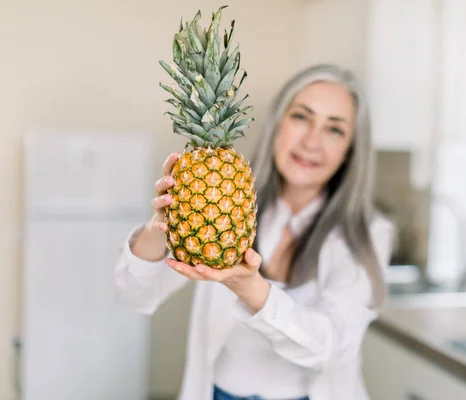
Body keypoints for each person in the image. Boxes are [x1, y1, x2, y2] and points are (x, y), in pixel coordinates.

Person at [114, 64, 396, 400]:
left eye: (334, 129)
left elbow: (333, 347)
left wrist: (251, 288)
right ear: (278, 122)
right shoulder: (223, 200)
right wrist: (160, 224)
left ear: (350, 149)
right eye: (301, 117)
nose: (311, 141)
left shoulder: (369, 232)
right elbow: (134, 295)